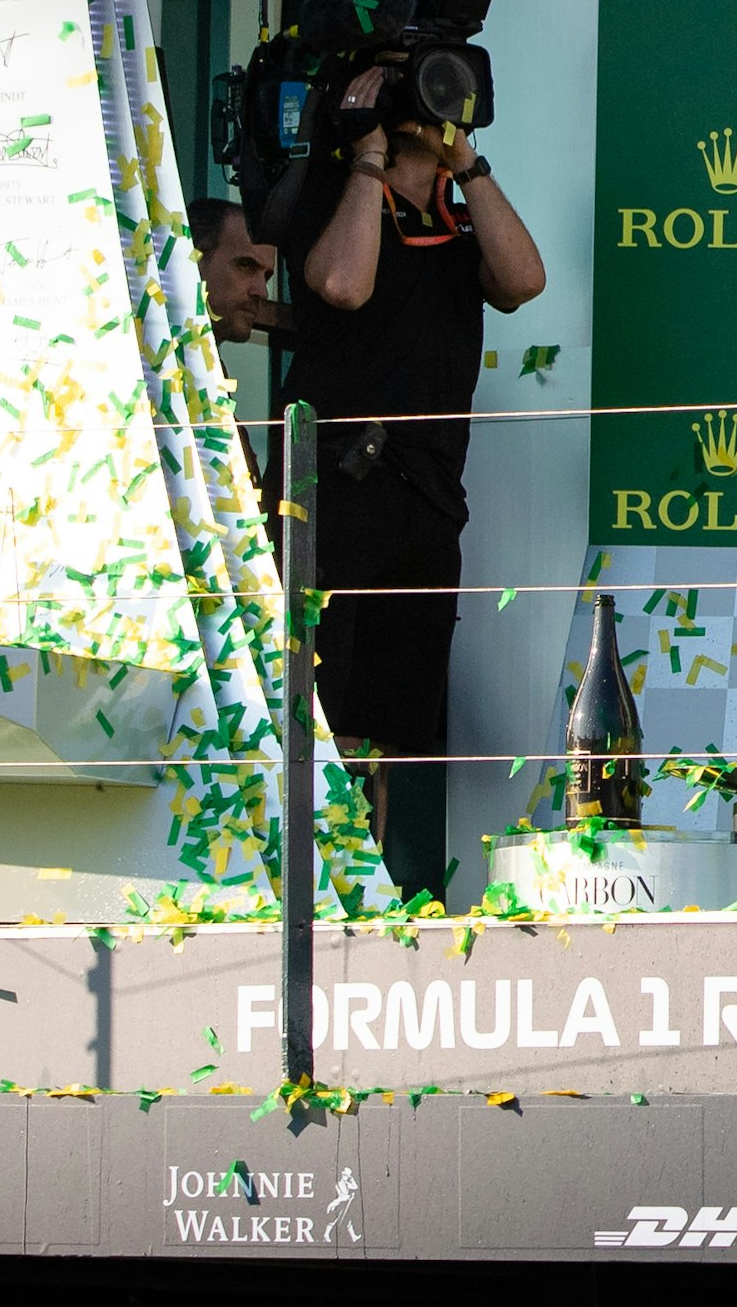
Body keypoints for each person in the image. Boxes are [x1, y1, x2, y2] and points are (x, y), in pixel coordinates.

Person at [289, 95, 546, 897]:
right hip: (340, 491)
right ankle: (317, 889)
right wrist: (367, 156)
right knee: (329, 715)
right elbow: (340, 283)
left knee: (395, 724)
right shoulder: (332, 196)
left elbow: (524, 282)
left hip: (430, 501)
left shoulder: (458, 214)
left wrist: (468, 165)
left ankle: (369, 886)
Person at [198, 197, 283, 345]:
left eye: (266, 276)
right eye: (246, 266)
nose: (262, 292)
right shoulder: (145, 361)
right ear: (195, 259)